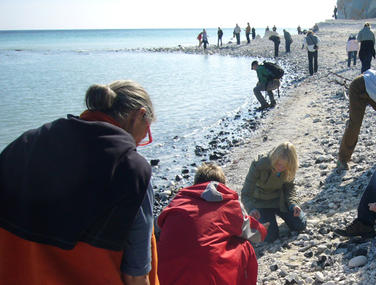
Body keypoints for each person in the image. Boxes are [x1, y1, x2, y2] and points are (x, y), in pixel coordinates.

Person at [0, 80, 158, 285]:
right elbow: (136, 276)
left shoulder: (25, 144)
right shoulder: (131, 171)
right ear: (138, 115)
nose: (141, 142)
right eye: (146, 132)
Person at [157, 163, 267, 285]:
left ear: (195, 184)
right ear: (222, 185)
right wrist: (262, 229)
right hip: (210, 278)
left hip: (168, 277)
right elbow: (255, 234)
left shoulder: (177, 201)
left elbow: (155, 230)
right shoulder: (229, 205)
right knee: (244, 245)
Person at [241, 142, 307, 243]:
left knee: (300, 225)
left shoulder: (290, 167)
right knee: (270, 237)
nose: (280, 168)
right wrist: (251, 209)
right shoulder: (259, 164)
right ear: (274, 158)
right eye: (278, 164)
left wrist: (293, 204)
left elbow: (290, 189)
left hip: (280, 201)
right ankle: (254, 222)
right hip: (261, 203)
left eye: (284, 166)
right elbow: (246, 193)